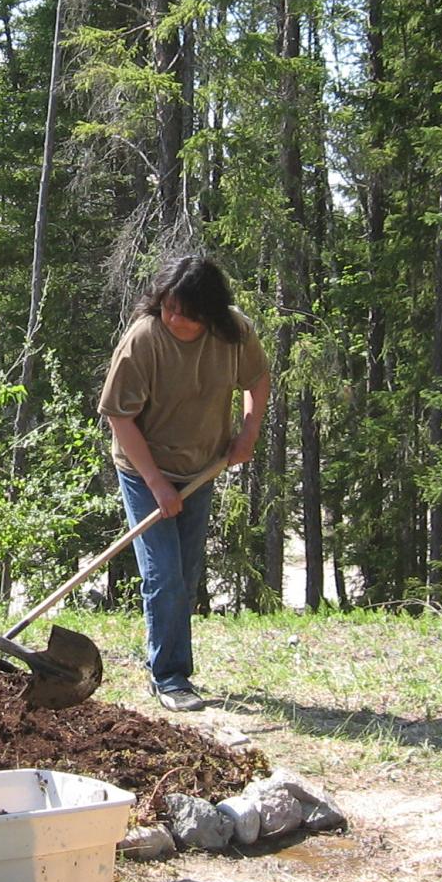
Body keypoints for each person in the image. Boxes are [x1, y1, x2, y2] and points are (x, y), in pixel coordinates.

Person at [98, 255, 271, 713]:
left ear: (209, 313)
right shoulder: (144, 339)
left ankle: (168, 663)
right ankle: (169, 678)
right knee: (164, 575)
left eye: (186, 313)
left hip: (200, 467)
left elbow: (258, 379)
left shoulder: (233, 331)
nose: (175, 318)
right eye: (169, 307)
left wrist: (247, 434)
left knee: (186, 573)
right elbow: (119, 416)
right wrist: (156, 483)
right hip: (144, 469)